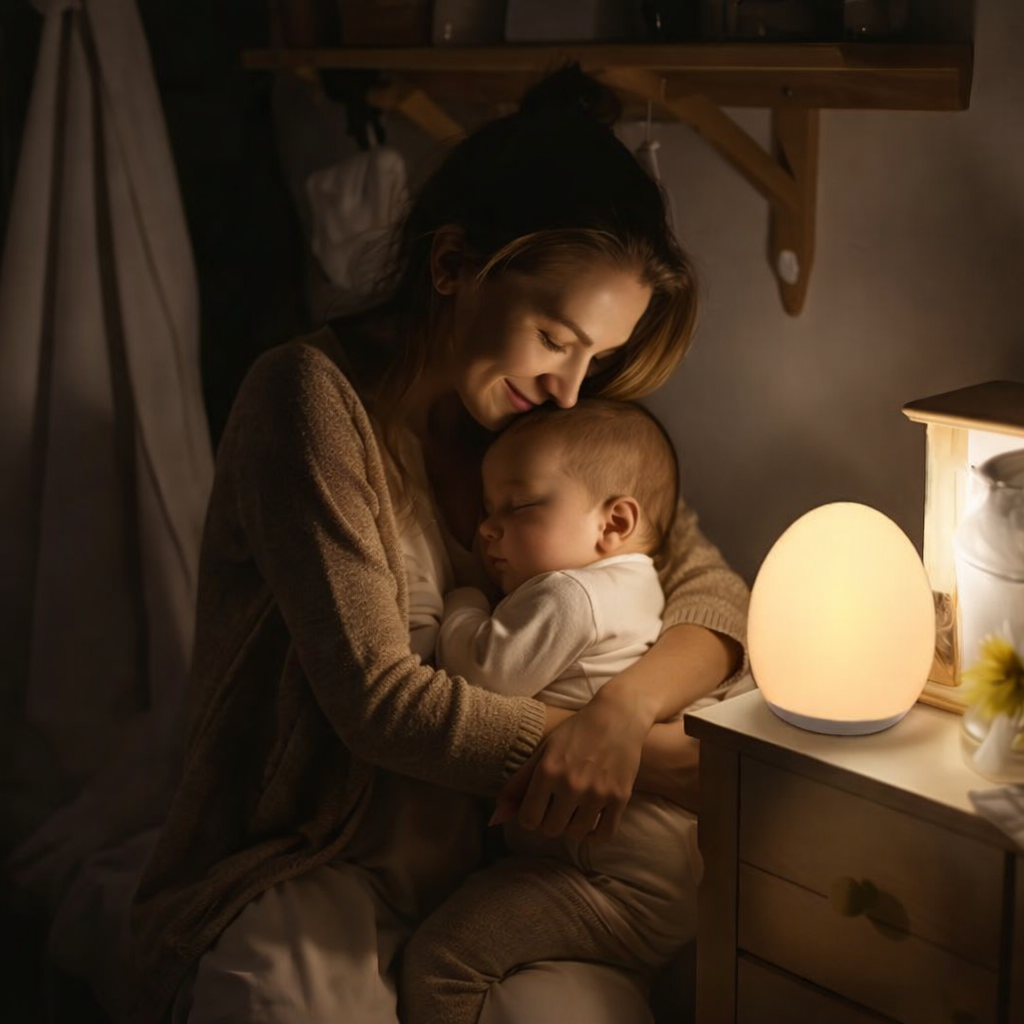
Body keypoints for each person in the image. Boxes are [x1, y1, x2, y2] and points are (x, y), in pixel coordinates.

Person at [129, 63, 749, 1024]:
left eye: (600, 358)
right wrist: (653, 763)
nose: (575, 389)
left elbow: (713, 596)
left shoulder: (542, 425)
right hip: (317, 850)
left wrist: (621, 720)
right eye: (556, 336)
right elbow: (381, 703)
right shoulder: (308, 403)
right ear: (454, 264)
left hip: (507, 861)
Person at [400, 398, 711, 1024]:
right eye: (487, 510)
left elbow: (478, 671)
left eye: (518, 506)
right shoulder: (637, 582)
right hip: (655, 874)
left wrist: (462, 600)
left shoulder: (570, 594)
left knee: (443, 959)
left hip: (615, 885)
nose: (486, 529)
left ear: (613, 522)